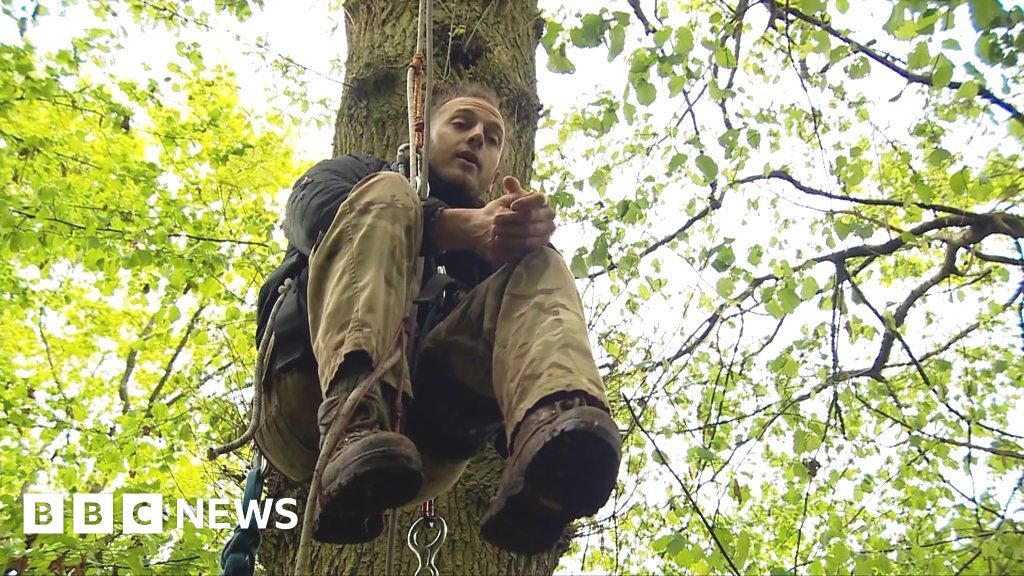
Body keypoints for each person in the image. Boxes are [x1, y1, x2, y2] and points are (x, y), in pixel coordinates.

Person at [253, 83, 620, 554]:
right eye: (462, 124)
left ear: (495, 170)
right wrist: (455, 227)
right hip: (304, 395)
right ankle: (353, 414)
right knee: (390, 194)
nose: (477, 139)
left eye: (491, 138)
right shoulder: (358, 175)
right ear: (422, 134)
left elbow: (522, 326)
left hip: (431, 436)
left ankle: (553, 444)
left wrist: (523, 239)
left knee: (541, 263)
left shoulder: (494, 250)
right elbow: (314, 213)